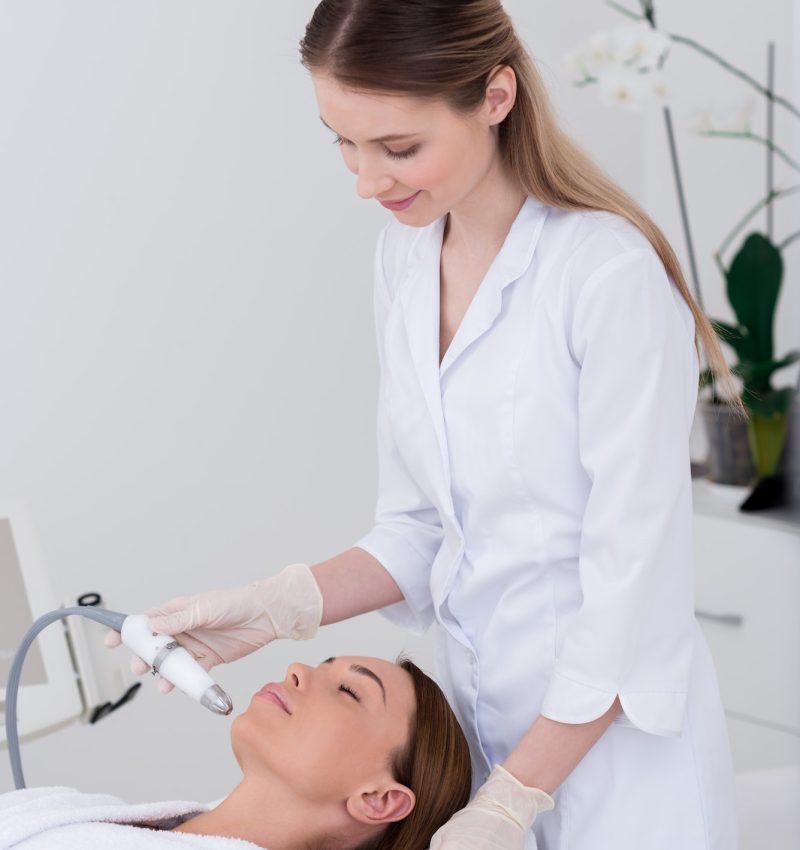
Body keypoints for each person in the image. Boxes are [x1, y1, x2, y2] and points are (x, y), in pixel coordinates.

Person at [107, 2, 742, 848]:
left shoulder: (605, 278)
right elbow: (420, 530)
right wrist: (278, 604)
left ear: (496, 96)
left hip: (616, 770)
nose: (368, 181)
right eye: (342, 141)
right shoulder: (405, 258)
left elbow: (636, 597)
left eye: (399, 148)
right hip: (480, 746)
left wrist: (517, 797)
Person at [1, 654, 491, 850]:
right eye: (324, 664)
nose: (297, 668)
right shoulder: (77, 811)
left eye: (349, 692)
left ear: (378, 799)